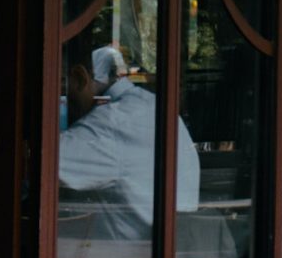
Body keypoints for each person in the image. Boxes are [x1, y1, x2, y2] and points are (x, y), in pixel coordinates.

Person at [57, 44, 198, 238]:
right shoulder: (153, 106)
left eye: (64, 88)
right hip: (164, 252)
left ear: (80, 77)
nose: (65, 102)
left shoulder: (112, 121)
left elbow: (47, 163)